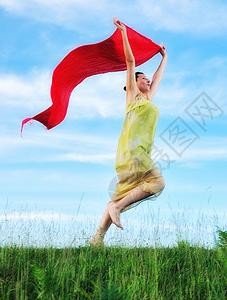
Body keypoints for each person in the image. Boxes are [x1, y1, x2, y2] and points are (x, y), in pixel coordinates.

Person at [89, 18, 168, 246]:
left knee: (119, 194)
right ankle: (117, 208)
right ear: (135, 83)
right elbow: (130, 61)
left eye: (148, 79)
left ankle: (97, 238)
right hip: (134, 153)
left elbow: (159, 78)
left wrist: (164, 58)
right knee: (158, 183)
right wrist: (123, 32)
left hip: (132, 154)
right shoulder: (132, 98)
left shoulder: (148, 99)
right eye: (144, 79)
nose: (149, 80)